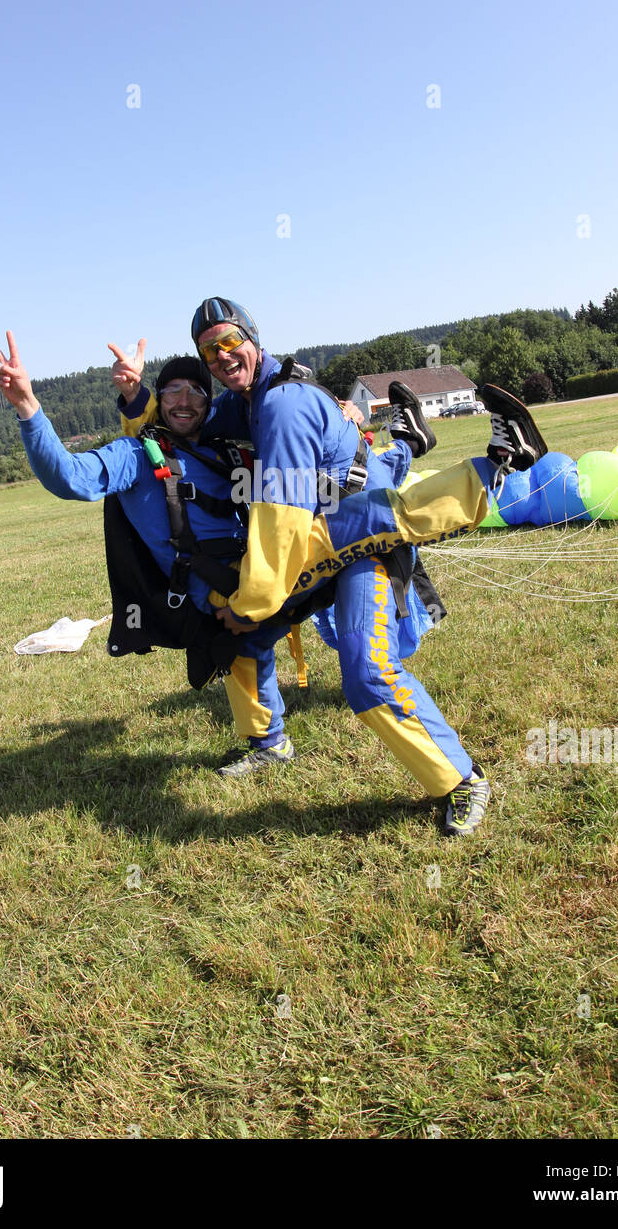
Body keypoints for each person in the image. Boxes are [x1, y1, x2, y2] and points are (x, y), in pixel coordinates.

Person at [111, 299, 547, 835]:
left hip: (357, 542)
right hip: (326, 536)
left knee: (365, 672)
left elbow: (282, 523)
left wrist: (251, 604)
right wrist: (136, 397)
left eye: (230, 341)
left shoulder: (278, 408)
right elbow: (184, 418)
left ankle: (461, 780)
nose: (222, 356)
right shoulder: (243, 401)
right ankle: (267, 743)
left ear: (253, 338)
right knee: (241, 641)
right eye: (210, 349)